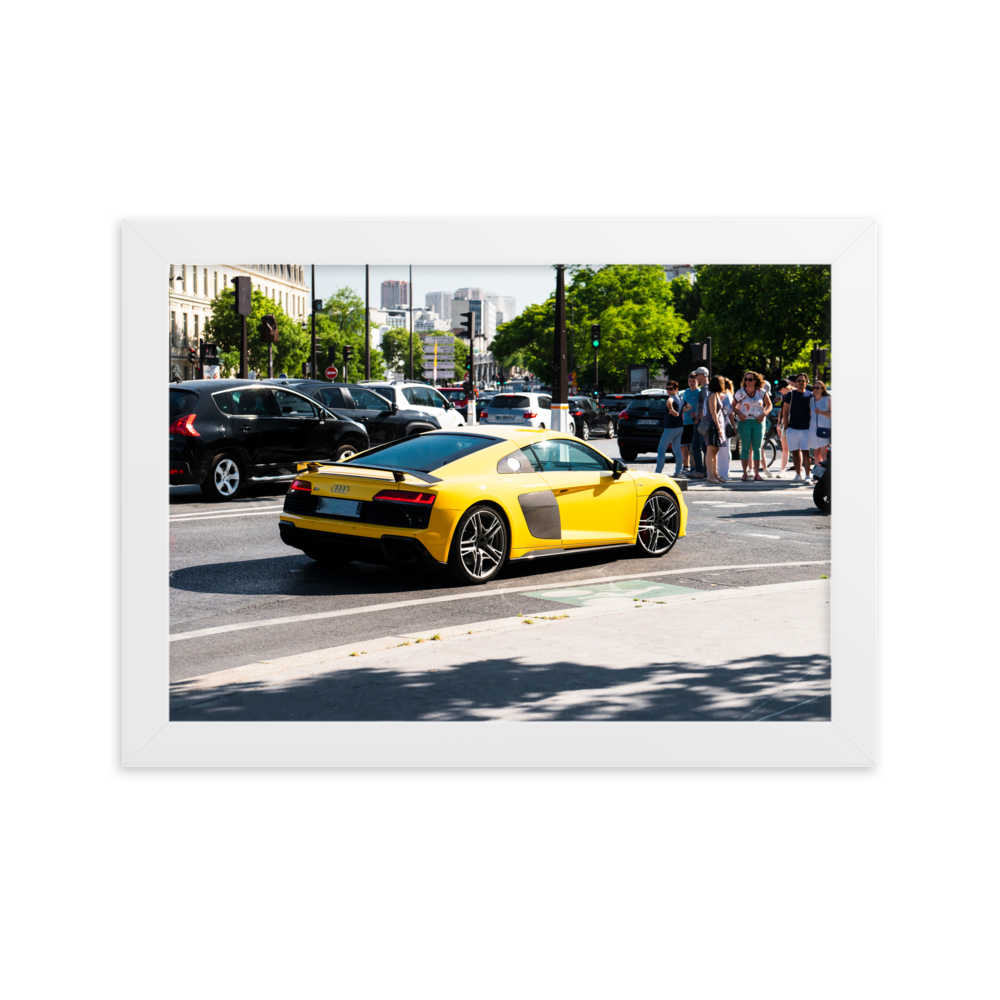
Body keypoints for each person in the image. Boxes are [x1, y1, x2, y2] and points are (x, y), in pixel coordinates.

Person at [734, 370, 772, 481]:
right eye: (746, 379)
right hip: (744, 422)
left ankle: (756, 474)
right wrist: (739, 413)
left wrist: (764, 414)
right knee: (745, 448)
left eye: (750, 379)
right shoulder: (740, 392)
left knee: (757, 448)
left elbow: (769, 405)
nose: (747, 381)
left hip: (758, 422)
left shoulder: (761, 392)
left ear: (755, 380)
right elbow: (733, 406)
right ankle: (745, 473)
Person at [781, 374, 813, 482]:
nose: (800, 382)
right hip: (792, 428)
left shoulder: (810, 395)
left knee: (805, 453)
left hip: (806, 428)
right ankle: (798, 474)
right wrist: (786, 427)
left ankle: (808, 475)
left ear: (806, 382)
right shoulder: (791, 394)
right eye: (799, 380)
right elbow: (785, 411)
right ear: (796, 382)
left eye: (803, 381)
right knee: (795, 453)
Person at [655, 381, 685, 476]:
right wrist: (681, 411)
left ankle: (658, 473)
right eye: (667, 388)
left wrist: (671, 410)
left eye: (671, 388)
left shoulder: (671, 398)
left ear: (676, 389)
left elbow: (669, 402)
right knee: (677, 450)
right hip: (679, 427)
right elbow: (689, 406)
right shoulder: (680, 399)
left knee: (661, 449)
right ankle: (678, 472)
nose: (668, 390)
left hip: (671, 428)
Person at [704, 375, 728, 484]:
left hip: (715, 425)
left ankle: (715, 474)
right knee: (711, 450)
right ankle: (710, 475)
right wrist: (718, 427)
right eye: (722, 382)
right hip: (712, 426)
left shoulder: (716, 395)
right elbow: (713, 412)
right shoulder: (712, 395)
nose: (724, 384)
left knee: (715, 450)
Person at [689, 367, 710, 479]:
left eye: (696, 375)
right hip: (703, 421)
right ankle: (705, 471)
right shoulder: (705, 388)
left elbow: (707, 404)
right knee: (703, 446)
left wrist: (698, 416)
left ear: (702, 375)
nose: (695, 377)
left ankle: (699, 470)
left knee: (696, 446)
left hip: (702, 422)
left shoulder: (706, 388)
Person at [771, 378, 793, 476]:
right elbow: (782, 410)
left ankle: (798, 468)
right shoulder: (784, 396)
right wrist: (779, 423)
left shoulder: (793, 394)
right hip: (785, 424)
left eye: (780, 389)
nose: (779, 391)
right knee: (785, 448)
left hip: (795, 424)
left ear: (786, 387)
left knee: (797, 449)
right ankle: (782, 470)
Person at [680, 374, 700, 476]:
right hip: (685, 422)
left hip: (694, 423)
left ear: (697, 382)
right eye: (690, 380)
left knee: (694, 447)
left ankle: (694, 467)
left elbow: (702, 407)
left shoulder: (700, 392)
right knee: (683, 446)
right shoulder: (686, 392)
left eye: (694, 381)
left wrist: (697, 414)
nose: (691, 382)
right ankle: (685, 466)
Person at [809, 379, 831, 470]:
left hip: (824, 429)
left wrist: (821, 412)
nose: (815, 389)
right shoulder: (811, 400)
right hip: (813, 430)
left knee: (823, 453)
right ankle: (818, 477)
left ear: (822, 389)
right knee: (816, 453)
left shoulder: (828, 399)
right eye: (814, 387)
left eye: (817, 387)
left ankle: (826, 476)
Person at [717, 377, 735, 481]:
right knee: (722, 450)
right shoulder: (723, 396)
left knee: (717, 450)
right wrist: (733, 425)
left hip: (719, 425)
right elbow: (730, 412)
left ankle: (717, 472)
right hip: (721, 425)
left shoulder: (711, 396)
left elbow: (730, 412)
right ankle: (722, 472)